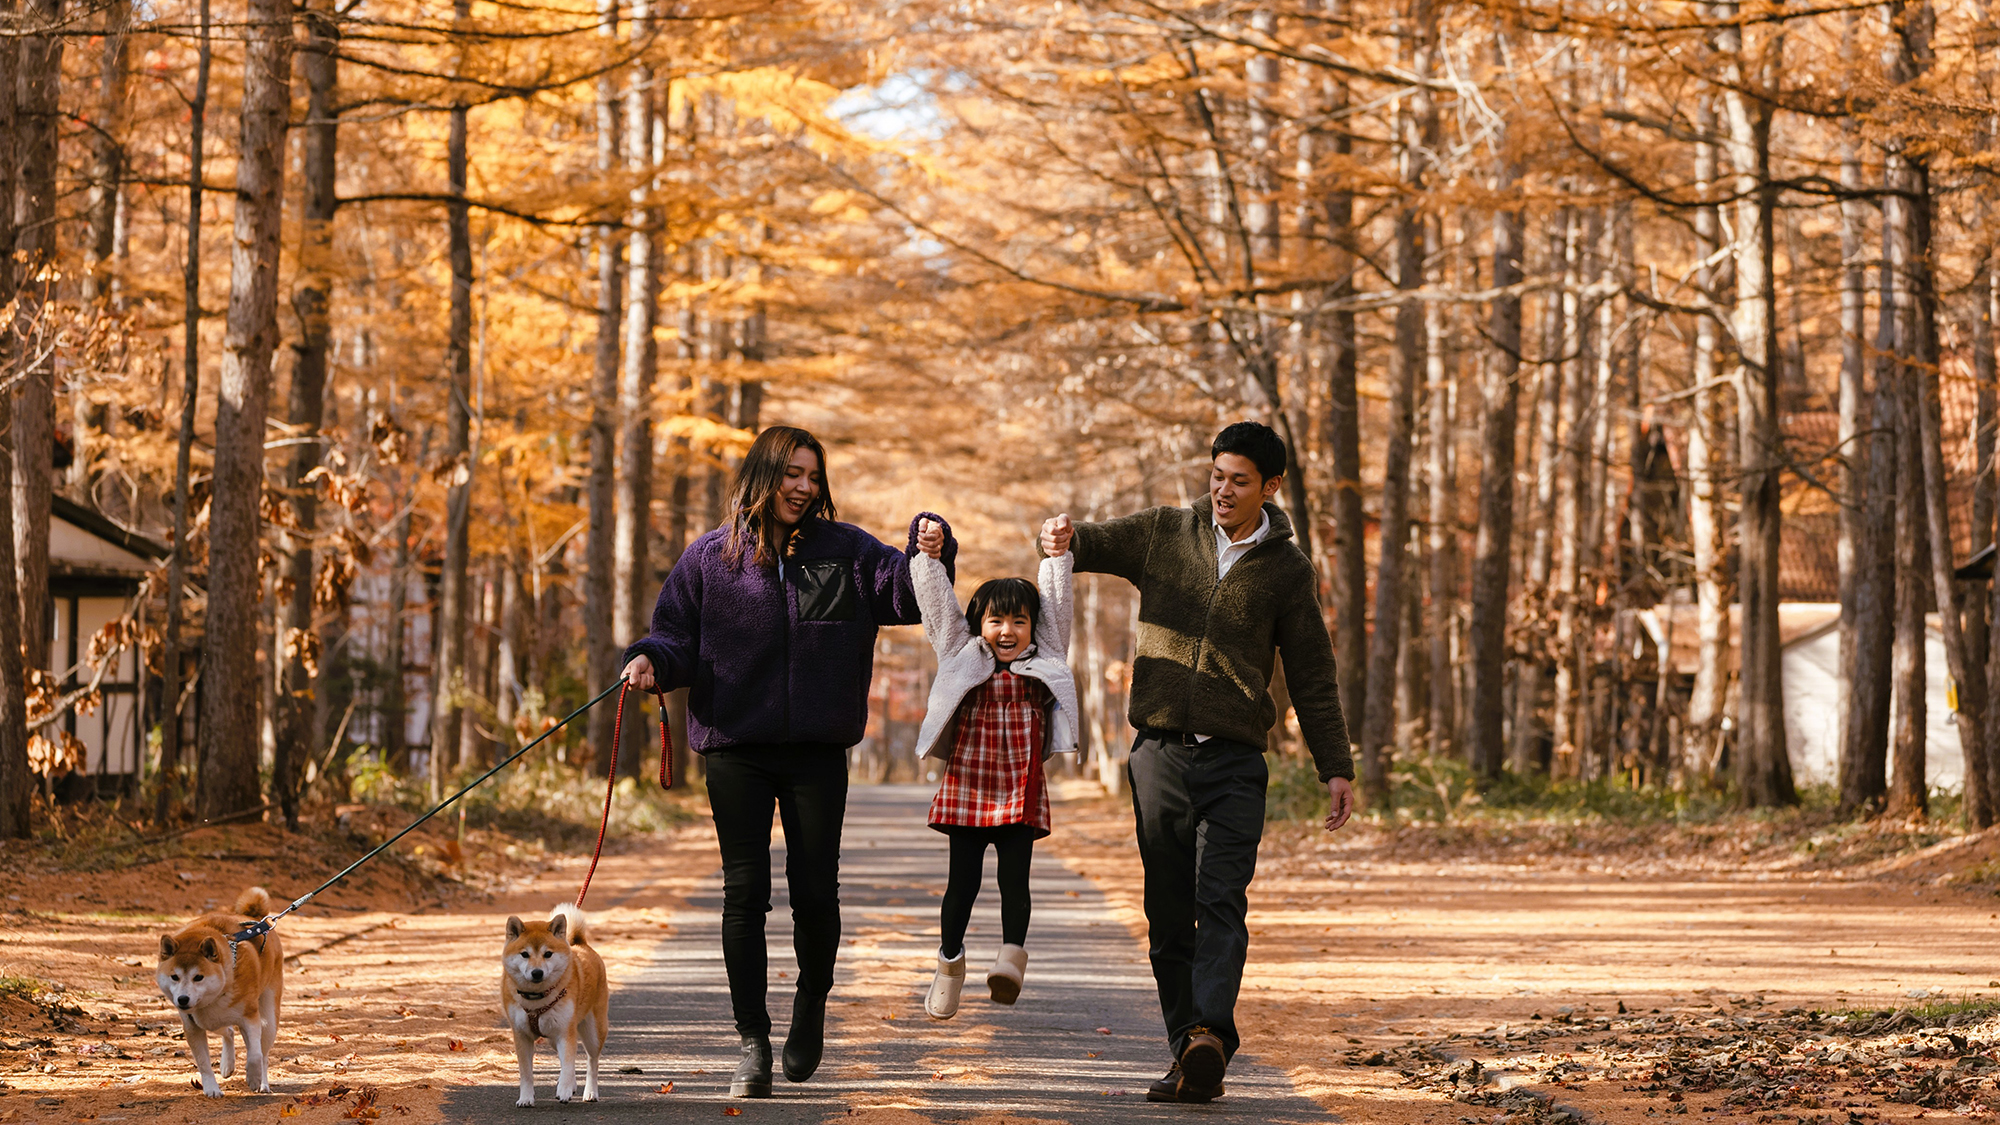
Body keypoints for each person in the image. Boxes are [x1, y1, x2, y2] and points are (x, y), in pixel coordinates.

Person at [620, 425, 954, 1099]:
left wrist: (932, 545)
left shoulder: (846, 551)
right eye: (792, 473)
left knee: (813, 891)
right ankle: (752, 1040)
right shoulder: (712, 558)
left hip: (815, 751)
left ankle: (811, 999)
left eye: (812, 475)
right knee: (744, 893)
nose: (803, 486)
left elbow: (908, 594)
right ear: (763, 474)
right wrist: (652, 658)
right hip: (735, 747)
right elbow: (675, 634)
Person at [1039, 420, 1354, 1105]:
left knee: (1221, 901)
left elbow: (1311, 672)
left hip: (1236, 760)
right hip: (1157, 755)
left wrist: (1336, 763)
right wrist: (1062, 536)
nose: (1222, 490)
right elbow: (1088, 541)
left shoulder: (1287, 570)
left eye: (1239, 481)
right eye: (1216, 476)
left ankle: (1210, 1031)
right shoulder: (1165, 532)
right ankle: (1188, 1049)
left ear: (1270, 487)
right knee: (1167, 908)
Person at [905, 522, 1078, 1019]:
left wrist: (1056, 556)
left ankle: (1009, 960)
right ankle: (949, 963)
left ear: (1032, 628)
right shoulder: (963, 656)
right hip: (968, 787)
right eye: (997, 621)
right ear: (979, 624)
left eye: (1020, 622)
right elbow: (939, 609)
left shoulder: (1044, 659)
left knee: (1014, 881)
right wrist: (928, 558)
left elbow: (1058, 608)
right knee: (962, 881)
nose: (1008, 632)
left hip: (1021, 790)